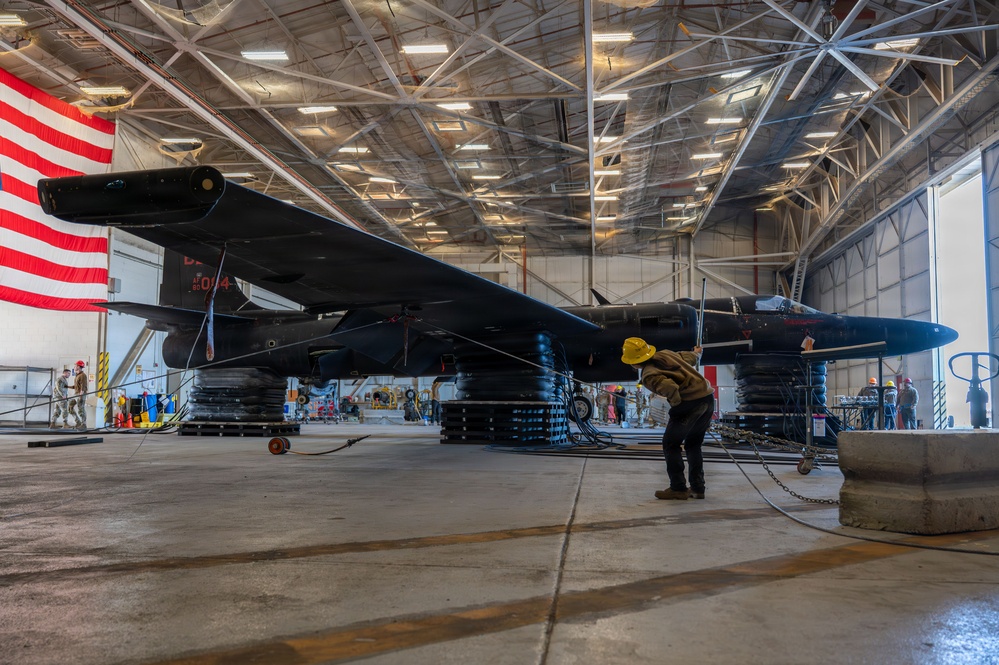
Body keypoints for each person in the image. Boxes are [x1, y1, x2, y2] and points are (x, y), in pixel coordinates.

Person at [621, 337, 714, 500]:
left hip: (690, 402)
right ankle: (698, 488)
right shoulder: (665, 354)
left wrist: (676, 407)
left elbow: (670, 388)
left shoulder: (649, 375)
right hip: (707, 397)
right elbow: (689, 358)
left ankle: (678, 488)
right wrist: (697, 353)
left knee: (671, 444)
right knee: (693, 445)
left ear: (633, 362)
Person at [69, 360, 88, 430]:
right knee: (70, 407)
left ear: (79, 367)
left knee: (81, 409)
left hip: (81, 394)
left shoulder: (83, 375)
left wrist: (81, 395)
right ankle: (78, 422)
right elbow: (76, 386)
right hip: (76, 394)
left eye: (76, 366)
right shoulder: (77, 375)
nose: (74, 367)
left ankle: (84, 424)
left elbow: (83, 386)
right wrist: (67, 386)